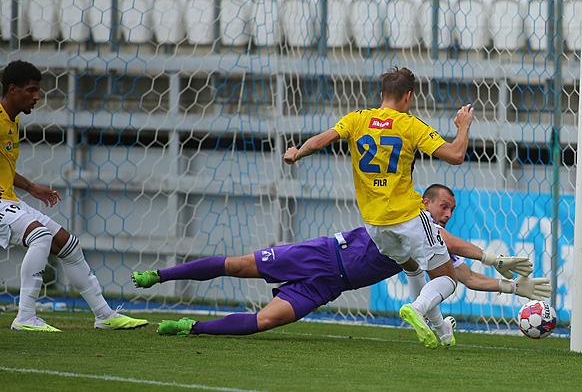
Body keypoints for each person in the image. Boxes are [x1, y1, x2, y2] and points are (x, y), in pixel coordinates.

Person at [131, 185, 550, 343]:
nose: (446, 213)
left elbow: (462, 275)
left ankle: (191, 328)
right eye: (443, 205)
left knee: (266, 321)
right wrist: (493, 257)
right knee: (238, 265)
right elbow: (452, 249)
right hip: (319, 254)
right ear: (425, 202)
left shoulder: (429, 240)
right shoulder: (406, 215)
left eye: (451, 210)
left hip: (328, 287)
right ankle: (160, 275)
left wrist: (511, 289)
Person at [283, 66, 474, 348]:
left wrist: (297, 152)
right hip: (408, 217)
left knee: (411, 267)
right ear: (408, 96)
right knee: (447, 278)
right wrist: (463, 126)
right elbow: (456, 155)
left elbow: (320, 141)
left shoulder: (357, 119)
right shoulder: (411, 125)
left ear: (381, 94)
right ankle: (418, 308)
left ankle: (441, 329)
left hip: (374, 224)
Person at [0, 60, 148, 332]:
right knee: (40, 236)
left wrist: (31, 187)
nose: (37, 96)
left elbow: (4, 168)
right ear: (12, 89)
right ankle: (25, 317)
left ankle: (104, 315)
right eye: (31, 90)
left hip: (9, 199)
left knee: (68, 245)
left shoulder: (12, 120)